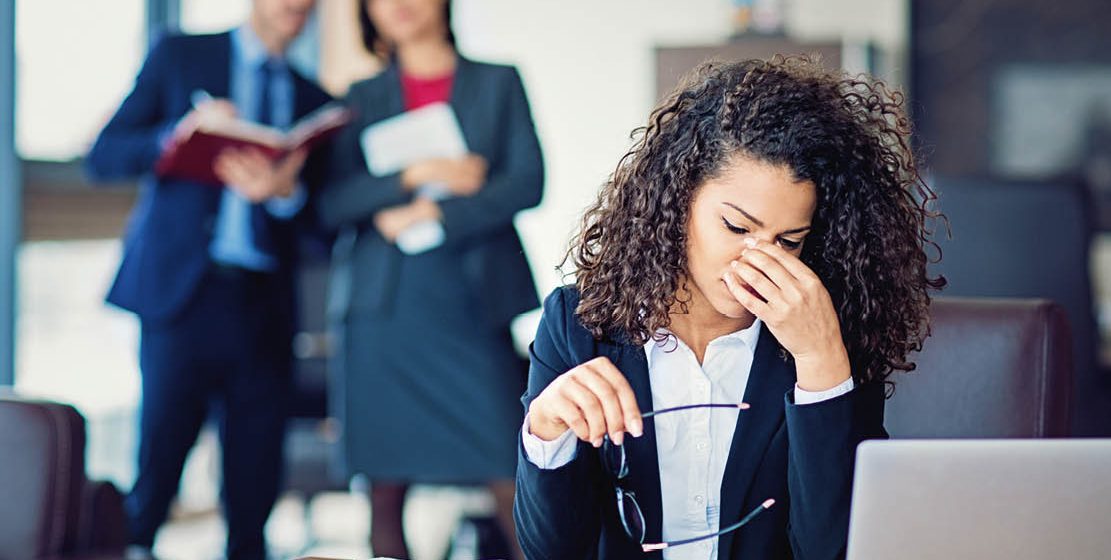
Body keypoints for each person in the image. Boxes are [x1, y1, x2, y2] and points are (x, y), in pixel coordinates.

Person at [514, 56, 944, 559]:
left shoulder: (830, 333)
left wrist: (821, 364)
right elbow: (552, 551)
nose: (758, 259)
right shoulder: (578, 324)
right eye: (737, 228)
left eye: (788, 241)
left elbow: (832, 550)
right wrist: (546, 432)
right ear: (678, 200)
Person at [85, 1, 331, 558]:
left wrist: (286, 195)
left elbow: (324, 232)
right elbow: (103, 157)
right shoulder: (182, 56)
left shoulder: (312, 99)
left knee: (253, 487)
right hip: (182, 300)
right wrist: (177, 135)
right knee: (157, 469)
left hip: (263, 307)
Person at [318, 0, 542, 557]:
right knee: (385, 489)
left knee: (509, 467)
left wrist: (436, 213)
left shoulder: (498, 82)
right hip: (382, 312)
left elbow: (527, 182)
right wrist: (414, 177)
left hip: (470, 301)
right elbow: (331, 202)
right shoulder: (359, 98)